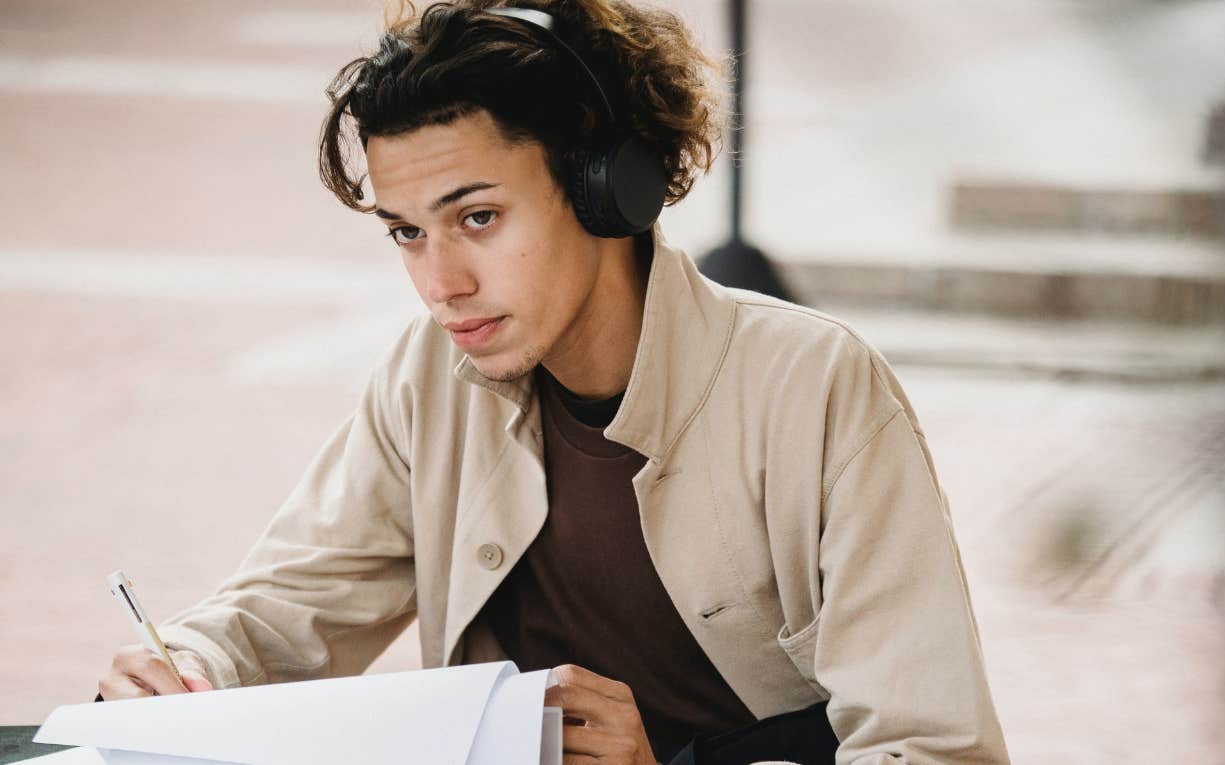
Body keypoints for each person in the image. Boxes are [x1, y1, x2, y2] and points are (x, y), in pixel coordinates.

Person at [97, 1, 1010, 763]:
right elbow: (291, 603)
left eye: (478, 217)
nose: (440, 282)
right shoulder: (432, 373)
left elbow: (934, 747)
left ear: (606, 187)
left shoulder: (815, 388)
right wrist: (181, 665)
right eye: (408, 232)